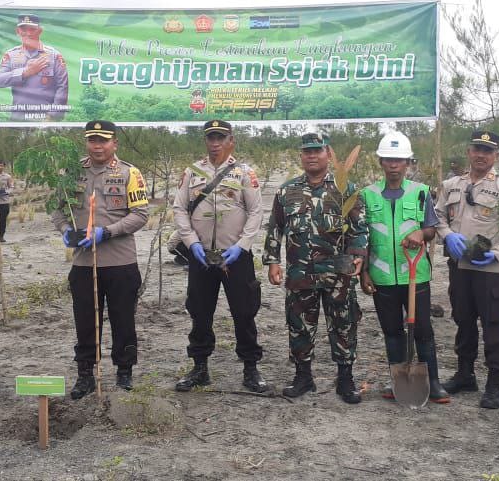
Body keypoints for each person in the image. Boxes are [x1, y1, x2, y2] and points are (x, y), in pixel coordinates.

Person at [263, 133, 368, 404]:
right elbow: (275, 228)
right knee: (299, 325)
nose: (311, 155)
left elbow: (359, 229)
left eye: (317, 150)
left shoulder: (346, 189)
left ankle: (345, 379)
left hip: (338, 272)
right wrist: (272, 260)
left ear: (327, 154)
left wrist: (358, 255)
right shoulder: (287, 191)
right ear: (301, 155)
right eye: (306, 151)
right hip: (300, 272)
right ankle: (303, 377)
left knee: (344, 324)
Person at [52, 120, 149, 399]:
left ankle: (124, 374)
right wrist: (65, 229)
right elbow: (57, 211)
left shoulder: (129, 172)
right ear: (86, 142)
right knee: (84, 321)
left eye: (103, 140)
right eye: (92, 140)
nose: (97, 145)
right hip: (83, 263)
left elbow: (140, 215)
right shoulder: (71, 173)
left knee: (123, 320)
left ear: (114, 143)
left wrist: (106, 232)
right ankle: (85, 375)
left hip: (120, 263)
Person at [173, 120, 267, 393]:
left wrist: (243, 245)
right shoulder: (192, 172)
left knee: (244, 311)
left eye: (220, 137)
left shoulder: (244, 173)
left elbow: (256, 212)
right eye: (210, 138)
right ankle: (199, 367)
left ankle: (251, 367)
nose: (214, 143)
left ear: (230, 140)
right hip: (201, 256)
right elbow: (179, 208)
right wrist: (191, 242)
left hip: (235, 257)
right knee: (200, 312)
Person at [434, 130, 499, 409]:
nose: (481, 155)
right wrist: (447, 235)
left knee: (494, 327)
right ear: (468, 151)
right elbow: (437, 215)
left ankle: (495, 383)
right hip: (460, 268)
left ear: (496, 155)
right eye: (477, 149)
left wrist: (497, 254)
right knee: (463, 321)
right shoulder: (451, 185)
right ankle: (465, 374)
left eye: (487, 151)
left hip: (491, 271)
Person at [359, 132, 450, 404]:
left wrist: (421, 235)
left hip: (415, 274)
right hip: (382, 276)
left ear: (407, 162)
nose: (393, 165)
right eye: (388, 159)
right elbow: (362, 238)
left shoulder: (420, 192)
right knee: (392, 331)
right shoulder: (368, 195)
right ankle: (398, 380)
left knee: (422, 329)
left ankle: (432, 382)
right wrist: (364, 272)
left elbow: (431, 228)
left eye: (398, 160)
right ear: (380, 162)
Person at [0, 13, 69, 122]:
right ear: (18, 31)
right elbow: (0, 80)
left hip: (46, 120)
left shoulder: (54, 55)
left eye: (32, 29)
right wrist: (25, 72)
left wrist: (53, 116)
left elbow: (62, 87)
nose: (28, 33)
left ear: (39, 31)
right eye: (23, 30)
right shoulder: (11, 55)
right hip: (18, 120)